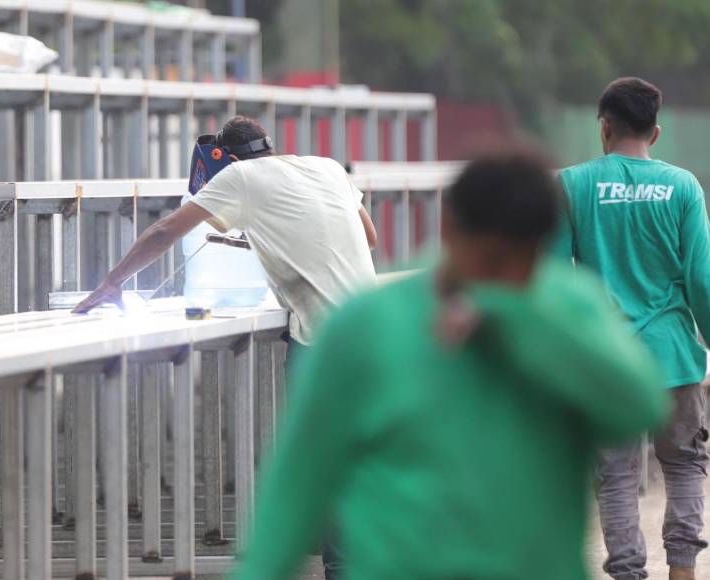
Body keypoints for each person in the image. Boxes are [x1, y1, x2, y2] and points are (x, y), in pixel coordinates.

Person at [232, 149, 668, 580]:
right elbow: (298, 482)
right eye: (490, 260)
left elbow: (642, 406)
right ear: (447, 230)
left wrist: (519, 317)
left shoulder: (570, 308)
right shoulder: (368, 325)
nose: (504, 281)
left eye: (523, 265)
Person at [73, 115, 377, 577]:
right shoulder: (327, 166)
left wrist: (113, 282)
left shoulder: (239, 177)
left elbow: (163, 233)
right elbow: (368, 239)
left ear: (228, 159)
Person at [553, 77, 710, 580]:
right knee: (684, 464)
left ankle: (627, 573)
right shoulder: (684, 186)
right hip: (674, 357)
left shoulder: (572, 185)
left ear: (603, 127)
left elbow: (555, 282)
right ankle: (683, 572)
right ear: (656, 133)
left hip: (607, 361)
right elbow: (701, 278)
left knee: (616, 476)